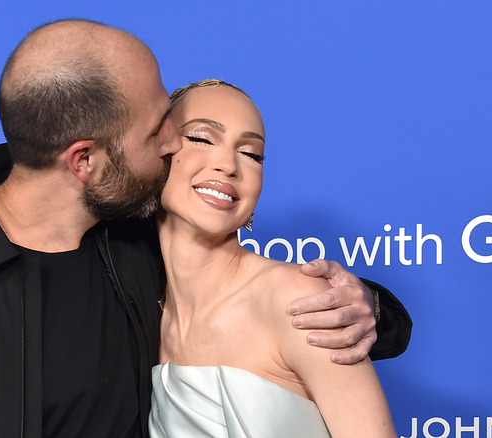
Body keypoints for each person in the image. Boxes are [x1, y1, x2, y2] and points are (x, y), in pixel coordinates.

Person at [0, 19, 410, 438]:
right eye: (160, 132)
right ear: (85, 160)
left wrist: (366, 306)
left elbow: (259, 307)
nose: (177, 144)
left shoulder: (136, 234)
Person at [149, 79, 396, 437]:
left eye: (251, 153)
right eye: (202, 138)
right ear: (157, 147)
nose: (228, 164)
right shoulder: (140, 312)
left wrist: (371, 304)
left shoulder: (296, 300)